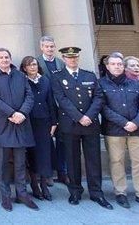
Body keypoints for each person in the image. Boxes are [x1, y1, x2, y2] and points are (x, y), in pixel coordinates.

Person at [50, 46, 112, 209]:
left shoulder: (89, 75)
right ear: (63, 59)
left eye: (75, 57)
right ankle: (75, 191)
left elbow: (99, 97)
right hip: (70, 124)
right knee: (72, 159)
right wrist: (79, 117)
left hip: (90, 124)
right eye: (69, 57)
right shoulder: (57, 77)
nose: (72, 60)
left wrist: (88, 116)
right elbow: (61, 99)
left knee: (93, 159)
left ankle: (96, 192)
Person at [99, 53, 139, 211]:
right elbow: (103, 108)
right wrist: (124, 122)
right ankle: (120, 192)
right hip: (114, 130)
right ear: (107, 66)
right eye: (113, 64)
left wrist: (136, 123)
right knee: (117, 162)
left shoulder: (135, 84)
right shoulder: (101, 84)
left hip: (137, 130)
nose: (117, 66)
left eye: (119, 64)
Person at [0, 48, 38, 211]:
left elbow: (29, 96)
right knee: (3, 163)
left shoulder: (20, 75)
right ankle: (6, 195)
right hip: (3, 123)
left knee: (21, 162)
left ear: (10, 58)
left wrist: (22, 113)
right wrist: (12, 112)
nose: (4, 59)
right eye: (1, 57)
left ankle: (22, 194)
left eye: (6, 57)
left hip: (21, 123)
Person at [19, 56, 55, 202]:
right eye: (29, 65)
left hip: (44, 121)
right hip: (29, 122)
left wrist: (54, 122)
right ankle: (34, 185)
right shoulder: (22, 81)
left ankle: (44, 185)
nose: (32, 67)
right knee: (32, 154)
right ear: (24, 68)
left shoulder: (45, 80)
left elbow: (51, 101)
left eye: (34, 64)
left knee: (45, 153)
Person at [37, 36, 66, 186]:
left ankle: (62, 171)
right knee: (47, 140)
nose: (49, 49)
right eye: (46, 46)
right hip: (46, 107)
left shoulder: (61, 62)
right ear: (41, 47)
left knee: (62, 140)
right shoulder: (36, 63)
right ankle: (47, 173)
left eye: (51, 46)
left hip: (62, 106)